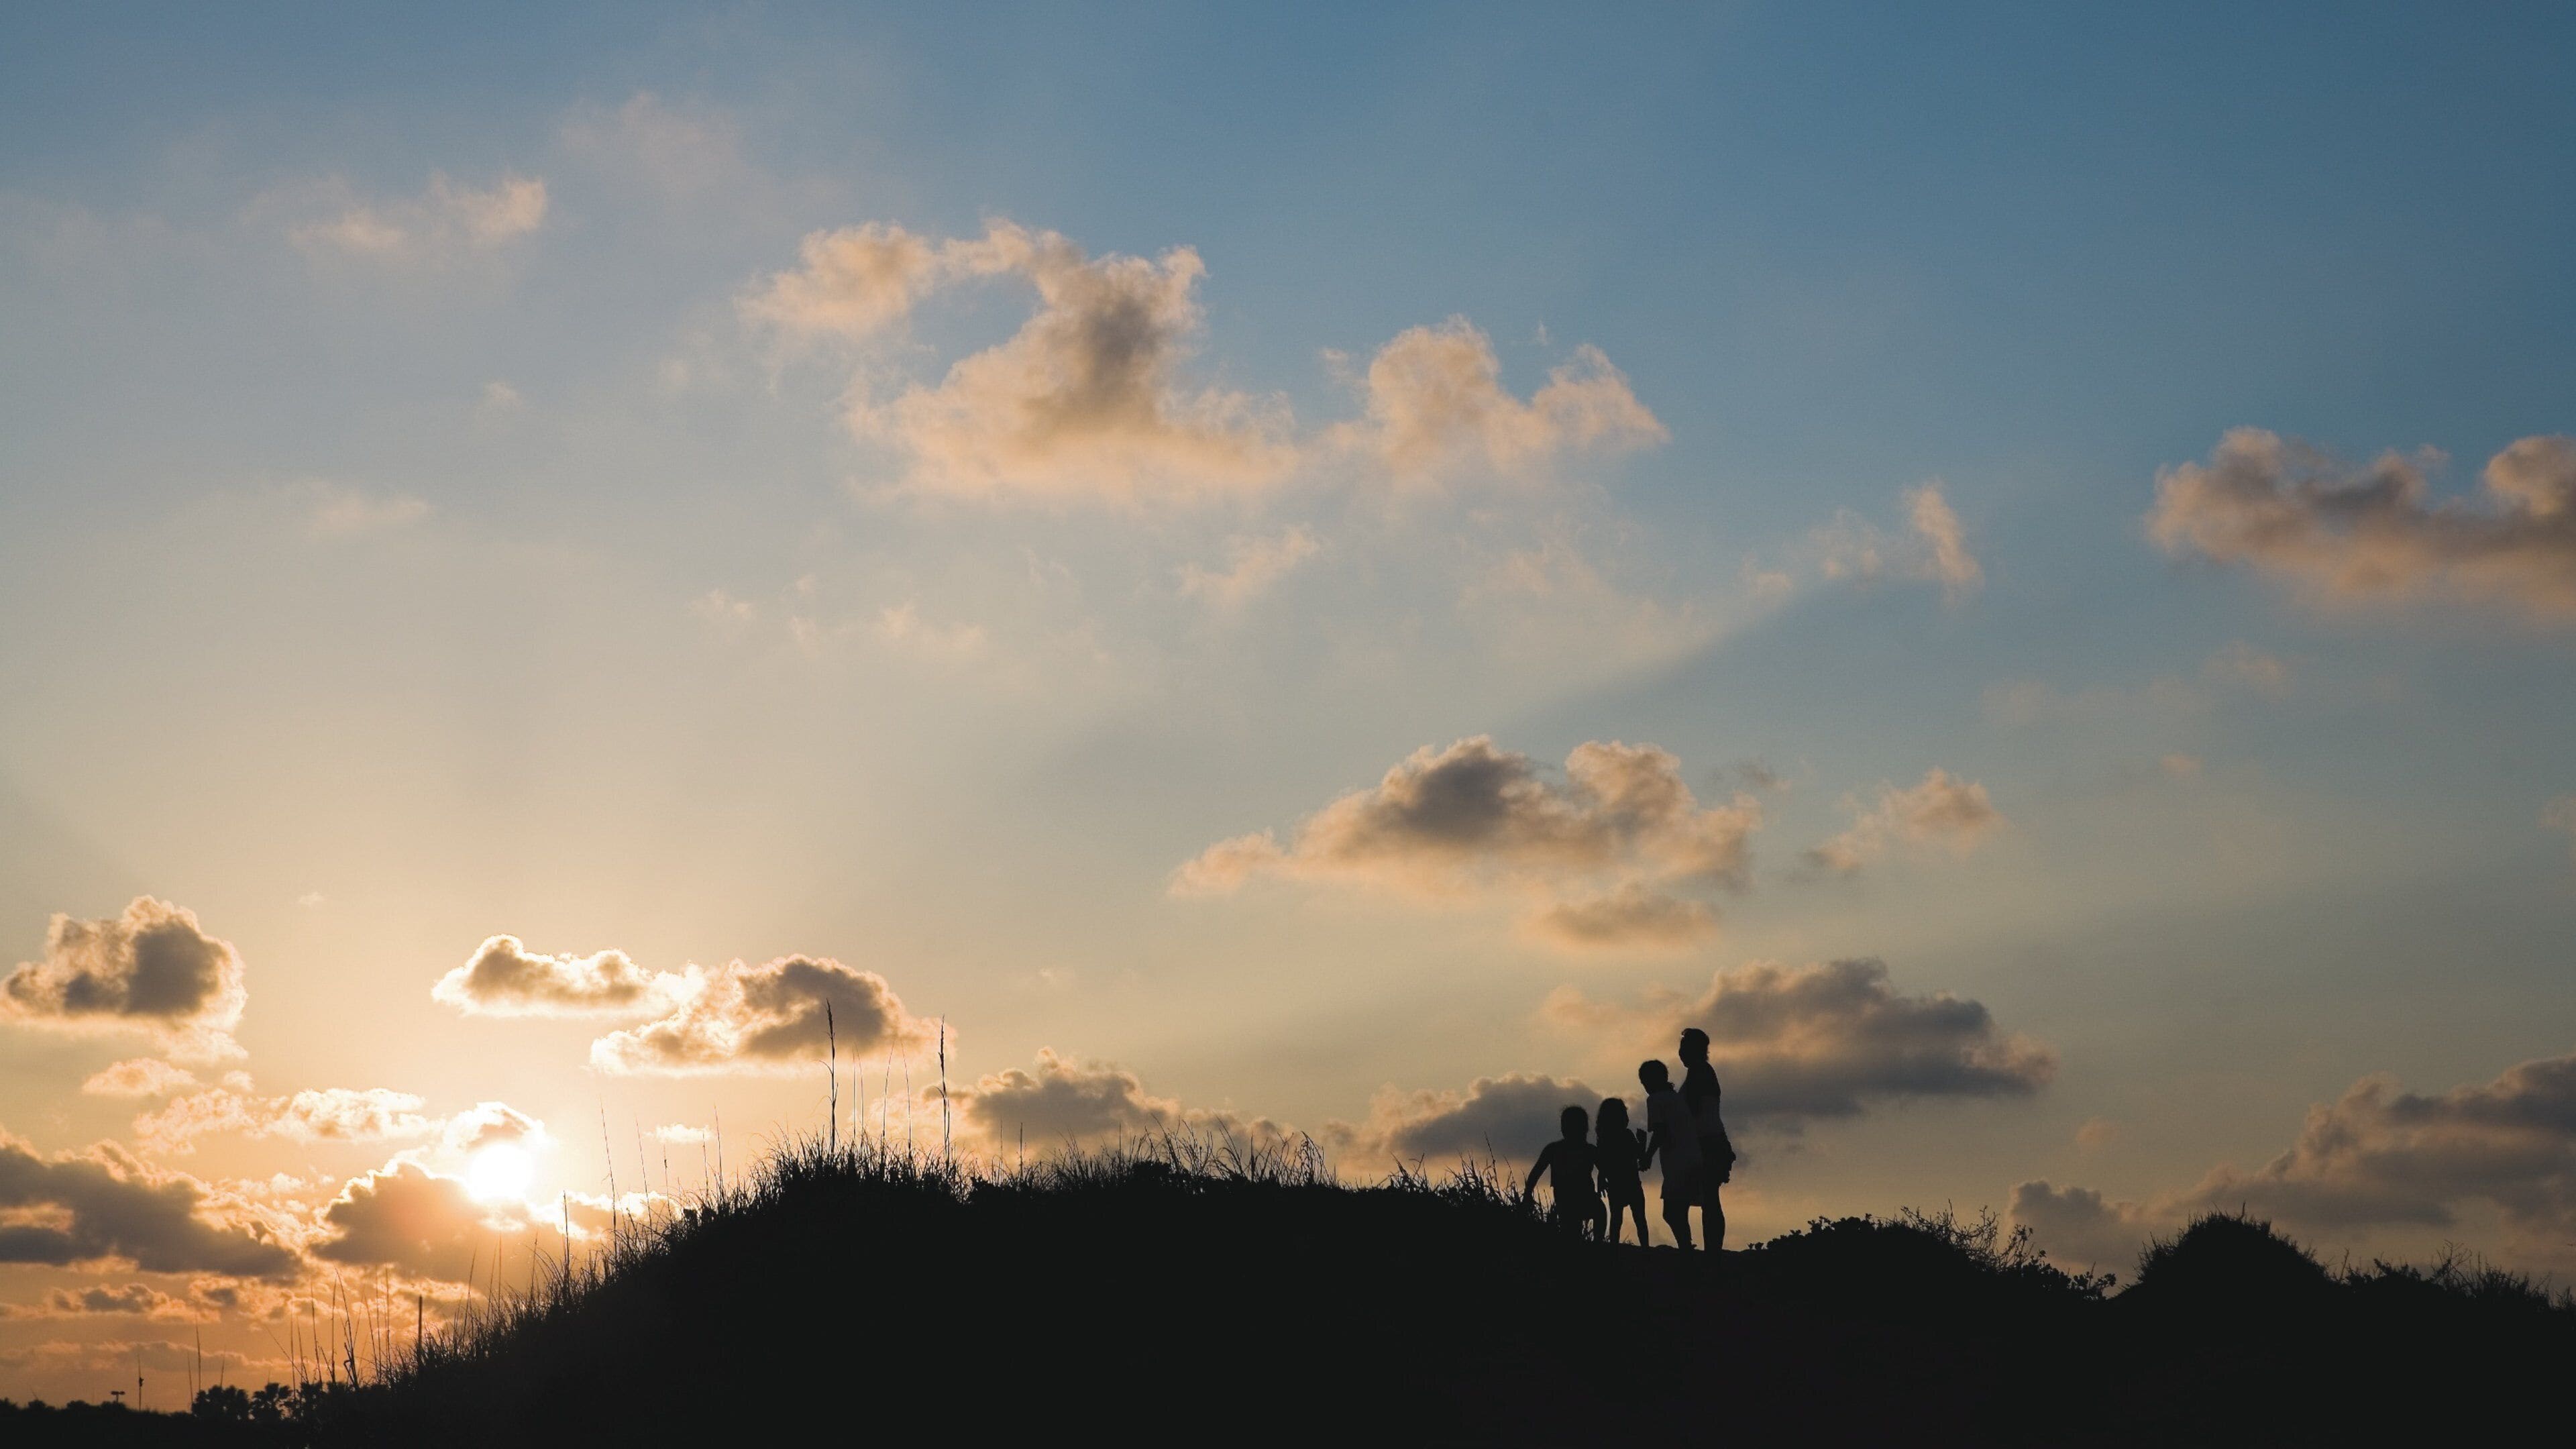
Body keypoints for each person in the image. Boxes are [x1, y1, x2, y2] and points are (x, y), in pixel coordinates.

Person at [1677, 1027, 1735, 1252]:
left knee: (1709, 1199)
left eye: (1683, 1048)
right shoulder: (1702, 1072)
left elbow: (1691, 1111)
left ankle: (1711, 1251)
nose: (1680, 1053)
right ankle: (1711, 1250)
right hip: (1712, 1140)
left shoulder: (1699, 1073)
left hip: (1706, 1142)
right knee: (1710, 1198)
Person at [1637, 1060, 1704, 1249]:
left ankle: (1685, 1246)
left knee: (1672, 1212)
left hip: (1678, 1163)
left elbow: (1660, 1132)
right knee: (1679, 1210)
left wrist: (1648, 1155)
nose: (1645, 1086)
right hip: (1694, 1157)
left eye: (1645, 1081)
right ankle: (1686, 1245)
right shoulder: (1676, 1099)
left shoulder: (1655, 1100)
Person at [1523, 1104, 1601, 1238]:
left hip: (1582, 1196)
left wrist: (1528, 1194)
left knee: (1598, 1214)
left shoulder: (1588, 1150)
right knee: (1576, 1227)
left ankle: (1597, 1247)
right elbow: (1536, 1172)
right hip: (1567, 1199)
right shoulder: (1555, 1149)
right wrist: (1528, 1194)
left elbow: (1605, 1169)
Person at [1593, 1097, 1648, 1245]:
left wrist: (1601, 1179)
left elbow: (1602, 1163)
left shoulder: (1604, 1140)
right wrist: (1643, 1142)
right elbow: (1640, 1156)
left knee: (1616, 1220)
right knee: (1640, 1220)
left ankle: (1614, 1250)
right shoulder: (1627, 1135)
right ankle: (1646, 1249)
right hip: (1632, 1184)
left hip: (1615, 1185)